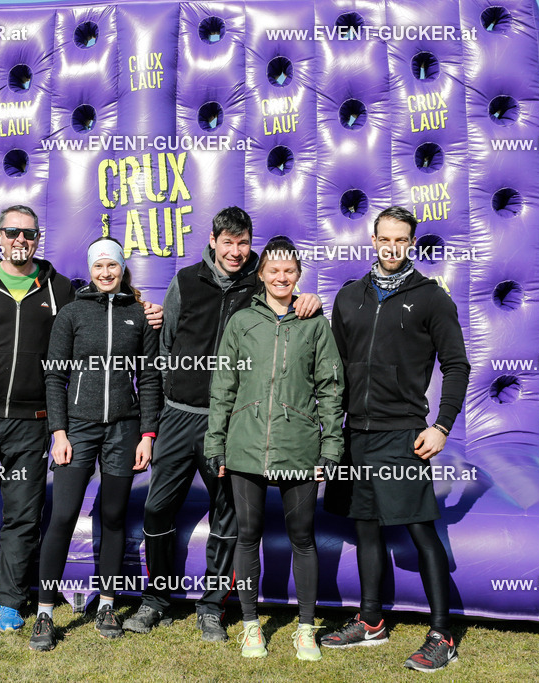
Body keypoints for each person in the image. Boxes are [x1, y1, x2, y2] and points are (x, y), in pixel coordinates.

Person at [0, 206, 162, 632]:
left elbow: (107, 313)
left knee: (23, 516)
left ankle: (11, 604)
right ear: (0, 235)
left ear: (38, 237)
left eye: (29, 233)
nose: (21, 239)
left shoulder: (59, 288)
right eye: (13, 232)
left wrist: (146, 310)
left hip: (33, 421)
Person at [123, 208, 323, 642]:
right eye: (227, 242)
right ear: (213, 241)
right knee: (157, 508)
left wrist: (311, 298)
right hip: (179, 414)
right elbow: (164, 346)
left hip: (232, 422)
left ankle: (212, 606)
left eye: (243, 242)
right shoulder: (185, 281)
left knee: (227, 515)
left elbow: (288, 301)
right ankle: (156, 598)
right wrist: (153, 422)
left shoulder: (261, 281)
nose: (236, 251)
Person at [321, 206, 470, 673]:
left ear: (412, 243)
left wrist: (441, 425)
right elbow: (331, 370)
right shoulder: (349, 296)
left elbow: (457, 365)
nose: (392, 248)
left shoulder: (431, 298)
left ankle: (443, 633)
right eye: (385, 239)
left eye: (401, 240)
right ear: (372, 239)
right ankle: (370, 621)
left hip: (403, 432)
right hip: (355, 433)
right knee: (365, 525)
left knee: (419, 528)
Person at [204, 237, 344, 661]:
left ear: (297, 275)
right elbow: (222, 387)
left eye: (289, 271)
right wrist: (216, 443)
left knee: (302, 538)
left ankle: (305, 628)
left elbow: (331, 389)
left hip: (298, 449)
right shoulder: (242, 321)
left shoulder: (316, 323)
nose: (281, 278)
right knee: (247, 537)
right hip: (245, 447)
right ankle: (250, 626)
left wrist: (331, 449)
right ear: (261, 274)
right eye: (273, 271)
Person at [29, 237, 162, 651]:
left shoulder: (138, 316)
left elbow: (151, 378)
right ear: (90, 269)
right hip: (78, 430)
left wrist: (146, 434)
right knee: (64, 515)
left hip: (124, 430)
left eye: (113, 266)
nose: (106, 273)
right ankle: (45, 612)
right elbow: (55, 377)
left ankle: (107, 604)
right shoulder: (71, 314)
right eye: (99, 266)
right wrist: (59, 432)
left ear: (122, 268)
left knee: (114, 516)